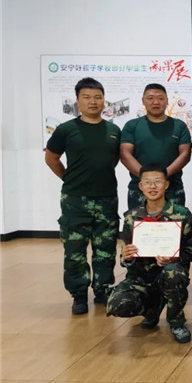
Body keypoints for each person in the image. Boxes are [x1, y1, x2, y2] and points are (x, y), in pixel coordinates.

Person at [44, 77, 121, 315]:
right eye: (86, 97)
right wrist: (68, 178)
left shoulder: (113, 130)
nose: (92, 101)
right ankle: (78, 294)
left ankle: (103, 290)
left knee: (105, 248)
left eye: (97, 97)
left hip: (107, 197)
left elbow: (113, 160)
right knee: (75, 250)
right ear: (77, 101)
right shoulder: (66, 130)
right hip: (75, 200)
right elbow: (51, 158)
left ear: (104, 100)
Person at [106, 164, 192, 343]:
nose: (153, 186)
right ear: (140, 186)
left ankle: (176, 321)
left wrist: (175, 257)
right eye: (147, 182)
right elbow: (126, 255)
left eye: (158, 181)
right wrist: (126, 256)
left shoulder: (182, 215)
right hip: (140, 278)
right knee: (117, 305)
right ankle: (151, 309)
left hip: (169, 275)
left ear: (166, 184)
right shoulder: (131, 217)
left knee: (173, 272)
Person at [120, 83, 192, 209]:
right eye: (150, 98)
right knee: (139, 221)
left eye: (160, 98)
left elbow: (185, 154)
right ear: (143, 101)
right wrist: (147, 178)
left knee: (174, 221)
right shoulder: (132, 125)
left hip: (172, 188)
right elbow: (125, 154)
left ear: (167, 101)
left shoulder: (179, 126)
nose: (156, 102)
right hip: (140, 189)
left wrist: (162, 177)